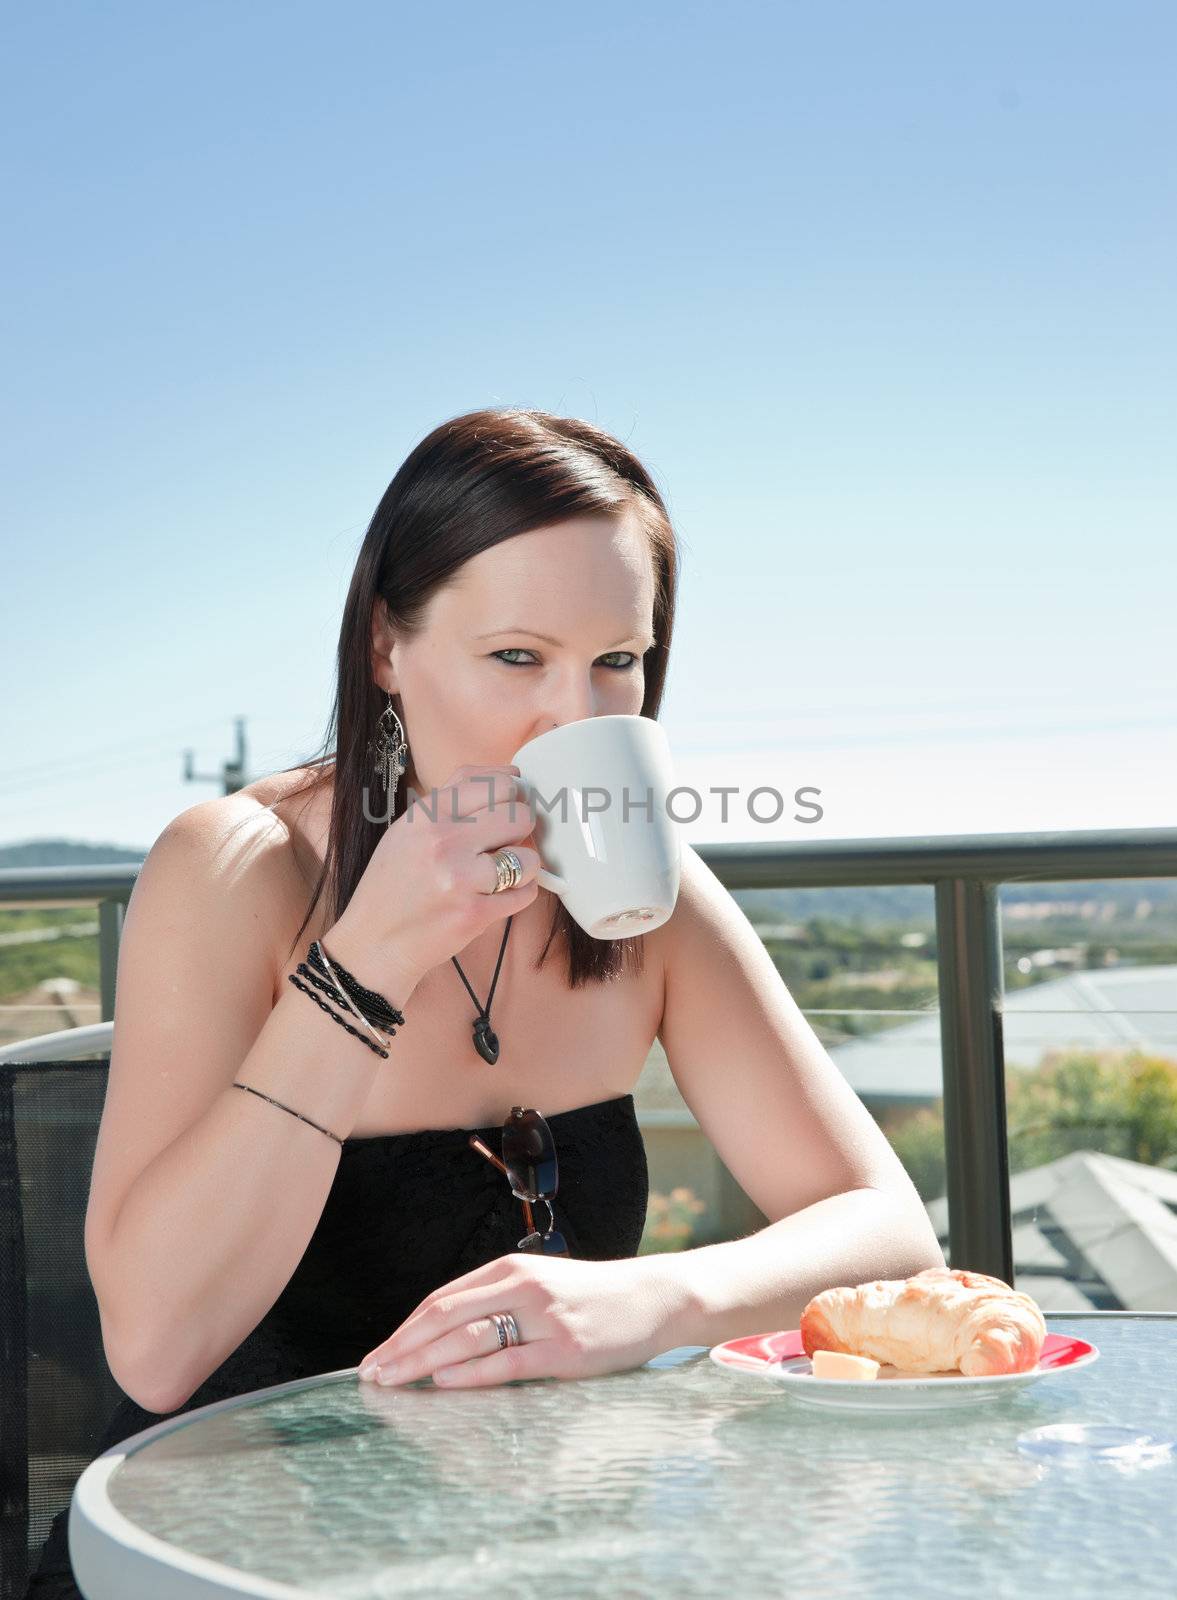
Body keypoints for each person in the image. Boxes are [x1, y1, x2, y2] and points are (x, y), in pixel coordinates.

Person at [26, 406, 943, 1595]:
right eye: (518, 657)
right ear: (384, 650)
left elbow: (885, 1230)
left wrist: (651, 1298)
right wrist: (366, 963)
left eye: (619, 661)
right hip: (226, 1550)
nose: (581, 718)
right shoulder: (235, 868)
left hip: (536, 1552)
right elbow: (153, 1348)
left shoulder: (647, 889)